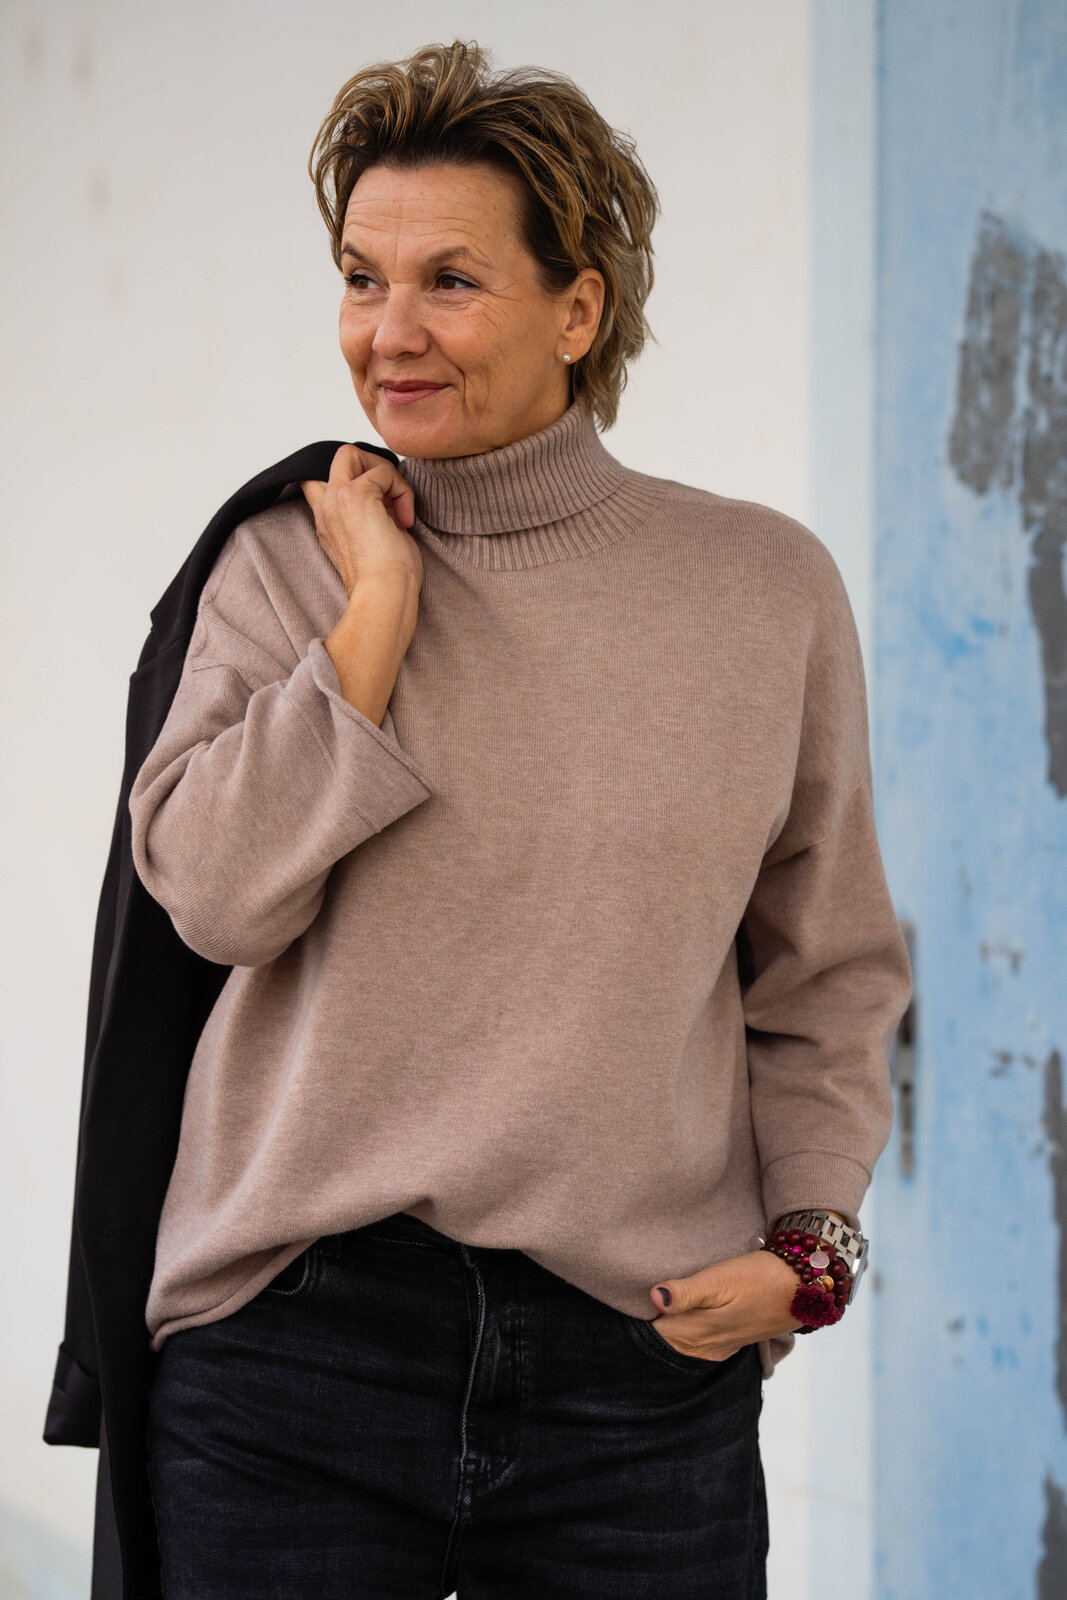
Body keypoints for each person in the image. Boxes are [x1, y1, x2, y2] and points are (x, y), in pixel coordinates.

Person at [84, 38, 911, 1599]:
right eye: (361, 277)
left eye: (450, 281)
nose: (387, 331)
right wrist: (373, 626)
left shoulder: (763, 591)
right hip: (297, 1363)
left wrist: (810, 1251)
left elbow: (828, 974)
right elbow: (215, 896)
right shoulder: (287, 566)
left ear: (578, 310)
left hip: (639, 1371)